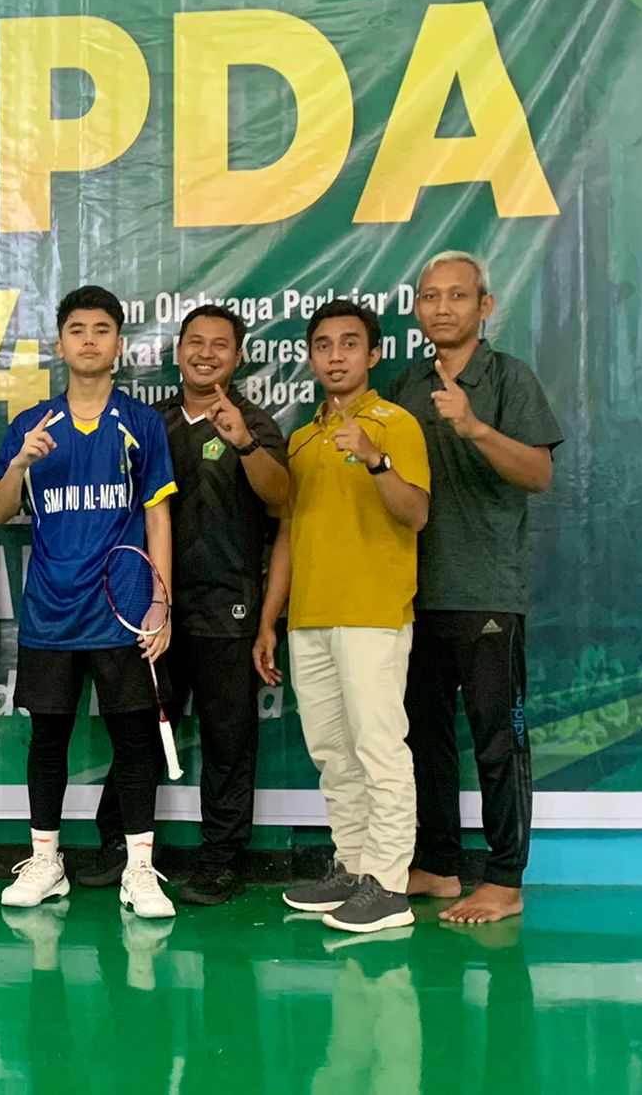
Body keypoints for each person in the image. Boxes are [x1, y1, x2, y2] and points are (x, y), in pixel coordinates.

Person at [0, 286, 179, 921]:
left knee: (134, 740)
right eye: (77, 329)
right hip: (51, 611)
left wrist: (160, 602)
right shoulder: (33, 424)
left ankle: (140, 868)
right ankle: (46, 861)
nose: (89, 340)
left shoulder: (141, 424)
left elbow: (158, 516)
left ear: (119, 344)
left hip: (122, 610)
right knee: (48, 739)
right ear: (60, 343)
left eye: (101, 329)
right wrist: (19, 463)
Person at [87, 304, 290, 904]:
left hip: (228, 610)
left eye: (219, 345)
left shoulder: (255, 424)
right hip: (153, 610)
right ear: (177, 353)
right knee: (140, 733)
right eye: (194, 342)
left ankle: (222, 861)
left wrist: (244, 443)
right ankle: (120, 847)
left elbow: (283, 500)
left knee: (228, 743)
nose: (206, 353)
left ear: (238, 356)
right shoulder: (152, 423)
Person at [391, 251, 561, 925]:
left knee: (498, 740)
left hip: (487, 592)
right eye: (431, 296)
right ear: (417, 309)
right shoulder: (404, 385)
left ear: (485, 306)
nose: (443, 307)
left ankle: (504, 878)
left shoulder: (509, 378)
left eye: (457, 296)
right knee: (424, 739)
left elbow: (539, 474)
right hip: (412, 594)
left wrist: (474, 427)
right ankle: (437, 864)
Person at [256, 300, 430, 934]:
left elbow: (416, 514)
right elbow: (288, 535)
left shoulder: (396, 424)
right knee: (333, 752)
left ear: (373, 354)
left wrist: (375, 459)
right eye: (323, 345)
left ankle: (389, 886)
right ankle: (353, 867)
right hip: (310, 617)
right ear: (310, 357)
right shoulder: (301, 439)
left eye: (349, 344)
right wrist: (270, 620)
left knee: (379, 749)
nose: (335, 356)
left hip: (373, 614)